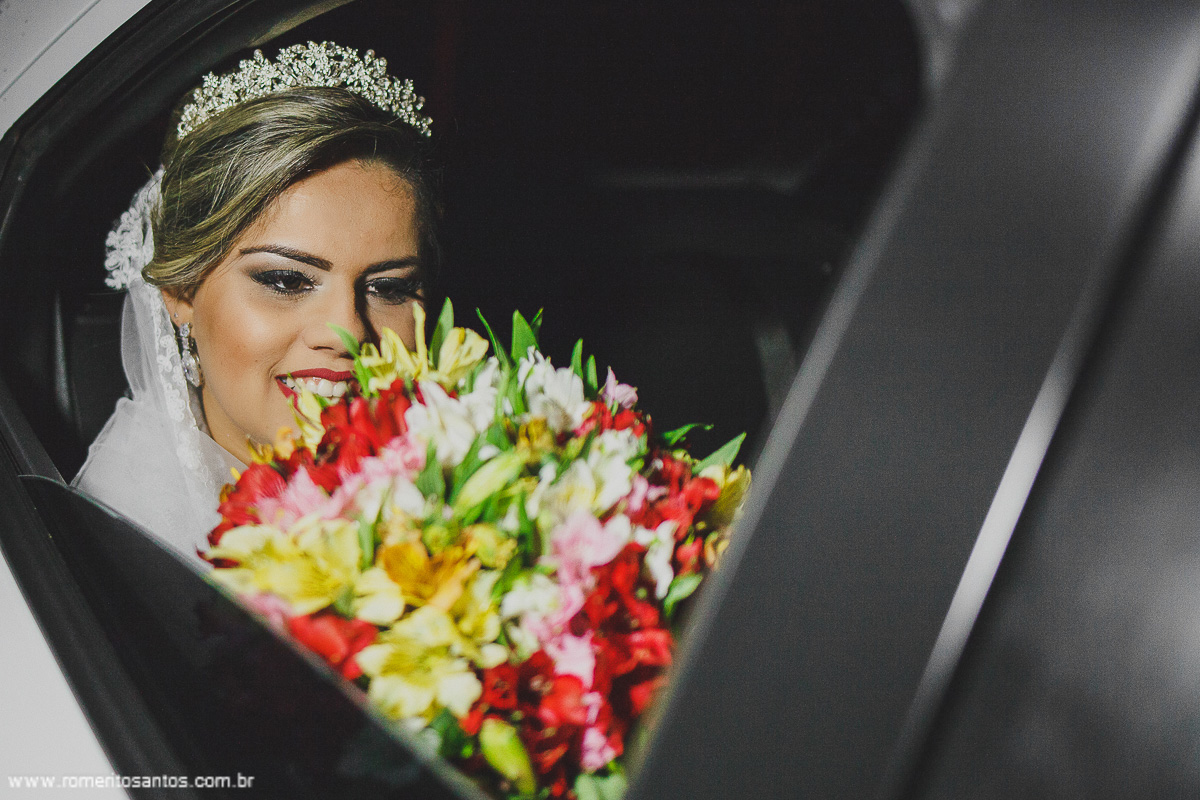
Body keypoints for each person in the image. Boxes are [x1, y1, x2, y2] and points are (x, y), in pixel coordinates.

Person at [72, 42, 441, 559]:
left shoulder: (462, 478)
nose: (349, 332)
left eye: (389, 287)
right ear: (180, 291)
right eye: (286, 280)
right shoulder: (123, 547)